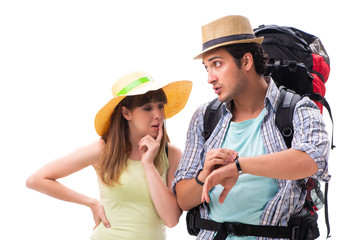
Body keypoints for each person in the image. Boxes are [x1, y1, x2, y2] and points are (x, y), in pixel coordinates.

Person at [173, 15, 330, 240]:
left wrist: (238, 166)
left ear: (246, 61)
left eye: (217, 63)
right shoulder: (205, 117)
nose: (210, 78)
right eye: (206, 67)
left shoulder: (297, 109)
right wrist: (203, 176)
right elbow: (184, 199)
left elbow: (313, 160)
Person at [26, 71, 192, 240]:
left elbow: (171, 219)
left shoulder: (170, 153)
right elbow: (36, 180)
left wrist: (149, 165)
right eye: (147, 108)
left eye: (160, 106)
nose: (158, 115)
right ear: (126, 113)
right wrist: (90, 202)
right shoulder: (103, 150)